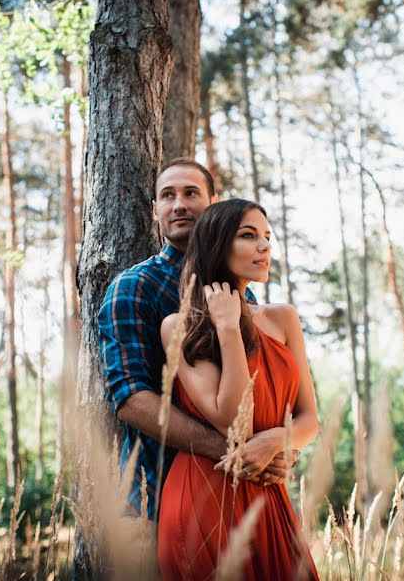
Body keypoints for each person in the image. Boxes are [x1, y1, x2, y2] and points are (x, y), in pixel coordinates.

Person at [97, 161, 296, 563]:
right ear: (155, 210)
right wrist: (235, 454)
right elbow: (131, 399)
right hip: (157, 502)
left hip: (246, 500)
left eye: (191, 193)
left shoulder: (247, 299)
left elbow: (269, 397)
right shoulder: (135, 287)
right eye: (167, 196)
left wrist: (278, 447)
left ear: (214, 205)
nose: (179, 205)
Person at [157, 199, 320, 580]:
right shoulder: (178, 326)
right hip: (205, 495)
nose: (264, 246)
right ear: (217, 244)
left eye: (267, 237)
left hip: (269, 489)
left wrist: (279, 441)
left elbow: (311, 419)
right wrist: (228, 329)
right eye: (248, 236)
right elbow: (234, 423)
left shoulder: (283, 319)